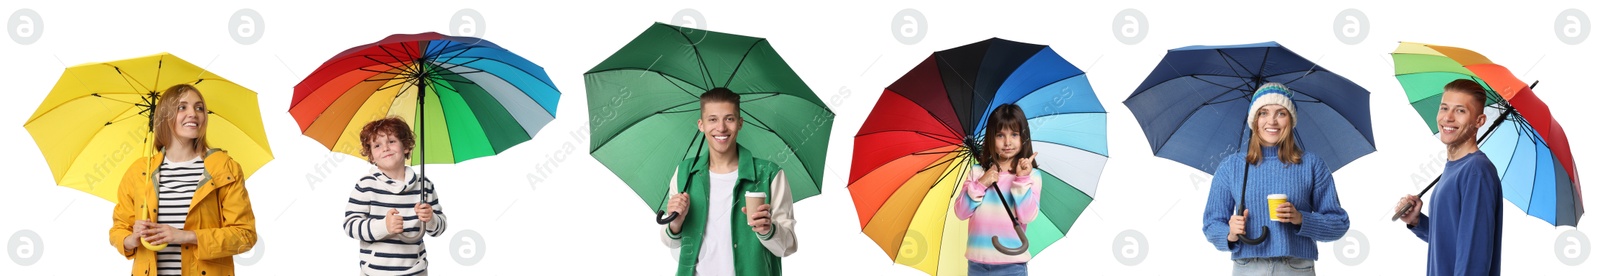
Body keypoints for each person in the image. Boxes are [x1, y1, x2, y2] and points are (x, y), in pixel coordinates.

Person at [1202, 83, 1350, 275]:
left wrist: (1301, 219)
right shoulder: (1232, 166)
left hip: (1296, 267)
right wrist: (1229, 234)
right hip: (1247, 267)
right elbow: (1211, 224)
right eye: (1263, 113)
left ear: (1291, 120)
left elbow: (1339, 224)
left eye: (1281, 113)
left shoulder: (1312, 164)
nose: (1271, 121)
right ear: (1254, 120)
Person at [110, 84, 258, 276]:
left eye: (199, 108)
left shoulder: (223, 168)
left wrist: (187, 236)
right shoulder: (139, 171)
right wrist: (131, 239)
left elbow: (245, 235)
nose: (193, 114)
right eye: (182, 107)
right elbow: (118, 229)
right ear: (164, 116)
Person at [660, 88, 797, 276]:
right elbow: (671, 242)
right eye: (713, 119)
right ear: (701, 125)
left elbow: (788, 246)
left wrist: (768, 230)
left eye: (729, 119)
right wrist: (676, 222)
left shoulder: (770, 174)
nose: (721, 128)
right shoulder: (684, 173)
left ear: (740, 123)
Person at [1394, 79, 1503, 276]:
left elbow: (1474, 256)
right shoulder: (1452, 169)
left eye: (1460, 111)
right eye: (1444, 108)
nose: (1448, 117)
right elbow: (1451, 240)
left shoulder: (1477, 170)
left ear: (1479, 121)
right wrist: (1417, 221)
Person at [342, 117, 448, 275]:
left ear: (406, 147)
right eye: (377, 145)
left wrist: (430, 219)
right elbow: (350, 226)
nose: (385, 148)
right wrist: (383, 226)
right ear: (371, 156)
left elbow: (439, 229)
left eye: (391, 141)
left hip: (416, 272)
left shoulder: (423, 185)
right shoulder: (366, 186)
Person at [956, 103, 1044, 276]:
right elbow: (961, 212)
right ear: (991, 138)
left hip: (1012, 265)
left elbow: (1027, 216)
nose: (1007, 142)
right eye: (1000, 135)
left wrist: (1021, 179)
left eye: (1014, 134)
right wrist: (981, 183)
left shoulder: (1031, 176)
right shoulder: (977, 172)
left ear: (1024, 137)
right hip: (977, 265)